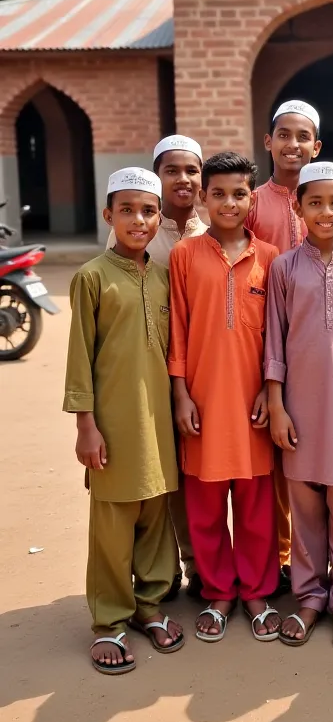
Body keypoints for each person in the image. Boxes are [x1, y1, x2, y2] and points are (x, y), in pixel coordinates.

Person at [64, 167, 183, 675]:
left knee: (156, 508)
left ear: (160, 217)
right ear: (108, 215)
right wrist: (85, 425)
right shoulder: (91, 276)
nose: (139, 220)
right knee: (113, 521)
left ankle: (150, 604)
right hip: (112, 423)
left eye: (149, 211)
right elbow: (79, 357)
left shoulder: (162, 275)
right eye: (128, 210)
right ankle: (110, 620)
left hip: (157, 420)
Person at [168, 152, 281, 644]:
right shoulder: (184, 255)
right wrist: (181, 395)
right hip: (203, 401)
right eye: (218, 193)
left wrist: (268, 391)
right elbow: (177, 331)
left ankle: (256, 591)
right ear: (204, 197)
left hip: (252, 405)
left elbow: (276, 337)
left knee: (257, 505)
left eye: (239, 194)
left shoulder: (272, 257)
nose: (229, 203)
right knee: (206, 505)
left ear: (251, 197)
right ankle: (217, 592)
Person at [265, 161, 333, 648]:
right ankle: (309, 596)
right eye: (315, 202)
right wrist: (277, 405)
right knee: (305, 508)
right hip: (299, 409)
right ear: (298, 206)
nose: (326, 212)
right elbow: (273, 342)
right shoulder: (283, 267)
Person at [107, 134, 207, 602]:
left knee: (187, 476)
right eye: (173, 170)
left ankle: (194, 566)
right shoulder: (141, 228)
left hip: (195, 374)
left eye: (191, 170)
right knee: (151, 477)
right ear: (158, 176)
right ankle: (156, 574)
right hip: (143, 373)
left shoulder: (210, 233)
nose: (183, 179)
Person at [246, 99, 322, 593]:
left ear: (317, 147)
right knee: (275, 460)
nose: (292, 144)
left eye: (303, 137)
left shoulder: (329, 198)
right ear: (269, 141)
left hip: (321, 350)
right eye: (284, 134)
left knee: (322, 456)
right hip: (265, 346)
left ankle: (321, 559)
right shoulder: (251, 202)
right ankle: (280, 560)